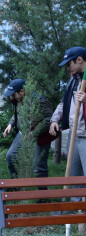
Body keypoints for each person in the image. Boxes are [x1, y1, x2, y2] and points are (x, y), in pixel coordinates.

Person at [49, 47, 86, 196]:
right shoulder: (74, 79)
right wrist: (54, 119)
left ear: (79, 59)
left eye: (68, 63)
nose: (67, 67)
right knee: (74, 176)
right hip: (74, 134)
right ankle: (74, 212)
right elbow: (65, 102)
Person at [3, 79, 53, 184]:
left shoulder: (40, 100)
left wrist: (33, 133)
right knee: (11, 156)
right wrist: (10, 124)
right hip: (23, 133)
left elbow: (49, 120)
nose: (11, 97)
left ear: (22, 91)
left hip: (40, 136)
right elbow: (18, 113)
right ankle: (16, 184)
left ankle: (42, 196)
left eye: (13, 94)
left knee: (38, 165)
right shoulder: (19, 100)